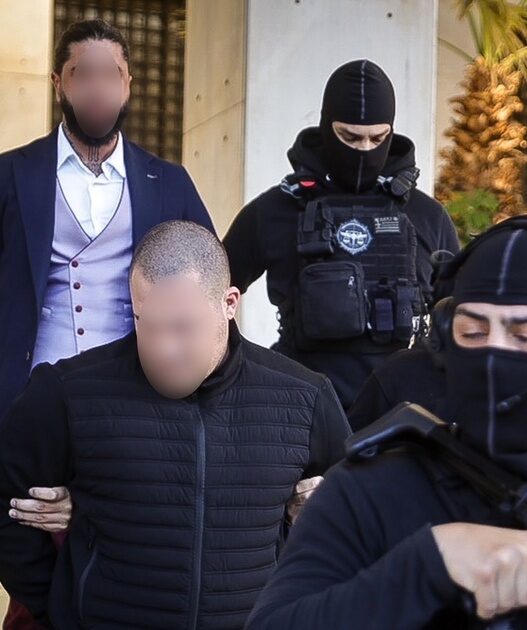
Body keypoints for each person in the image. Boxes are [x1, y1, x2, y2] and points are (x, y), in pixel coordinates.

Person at [0, 221, 350, 629]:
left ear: (229, 303)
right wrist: (60, 608)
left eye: (182, 327)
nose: (163, 349)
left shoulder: (305, 396)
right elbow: (6, 503)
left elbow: (356, 520)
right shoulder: (68, 391)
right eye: (146, 323)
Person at [245, 216, 527, 629]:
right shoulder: (370, 489)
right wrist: (431, 563)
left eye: (523, 335)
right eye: (472, 332)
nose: (493, 356)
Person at [0, 18, 213, 422]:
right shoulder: (10, 174)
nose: (98, 88)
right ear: (58, 83)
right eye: (83, 74)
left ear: (128, 84)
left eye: (111, 75)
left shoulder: (170, 182)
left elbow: (209, 282)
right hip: (29, 395)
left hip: (137, 396)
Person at [223, 59, 459, 411]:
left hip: (402, 409)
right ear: (325, 126)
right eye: (349, 137)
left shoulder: (427, 216)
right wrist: (244, 371)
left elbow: (460, 314)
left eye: (377, 138)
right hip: (296, 405)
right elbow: (210, 298)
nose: (364, 149)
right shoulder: (274, 210)